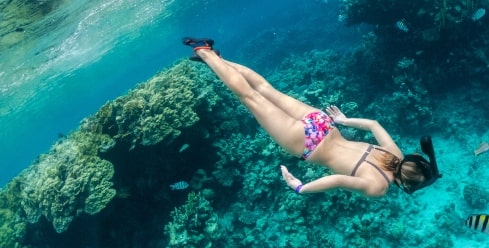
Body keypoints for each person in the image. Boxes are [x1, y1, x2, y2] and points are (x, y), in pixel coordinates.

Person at [183, 38, 441, 197]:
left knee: (264, 89)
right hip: (307, 144)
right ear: (407, 186)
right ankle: (205, 53)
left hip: (324, 125)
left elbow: (374, 124)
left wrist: (342, 121)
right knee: (250, 98)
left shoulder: (394, 152)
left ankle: (218, 59)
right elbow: (338, 180)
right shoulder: (379, 188)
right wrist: (300, 187)